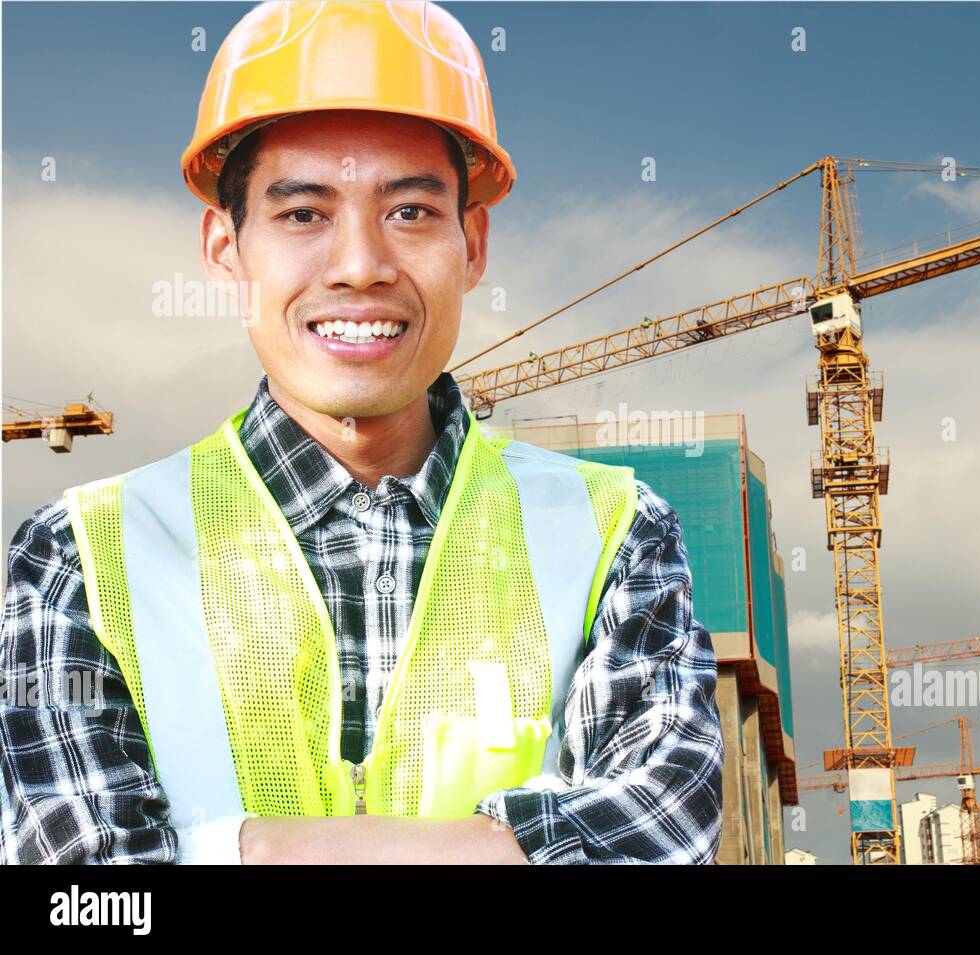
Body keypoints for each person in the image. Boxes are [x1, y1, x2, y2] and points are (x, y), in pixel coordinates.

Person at [0, 0, 723, 865]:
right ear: (225, 249)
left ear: (473, 241)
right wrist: (506, 849)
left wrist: (236, 851)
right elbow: (87, 888)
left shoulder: (614, 531)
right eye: (303, 214)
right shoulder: (78, 556)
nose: (359, 265)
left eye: (411, 212)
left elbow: (661, 832)